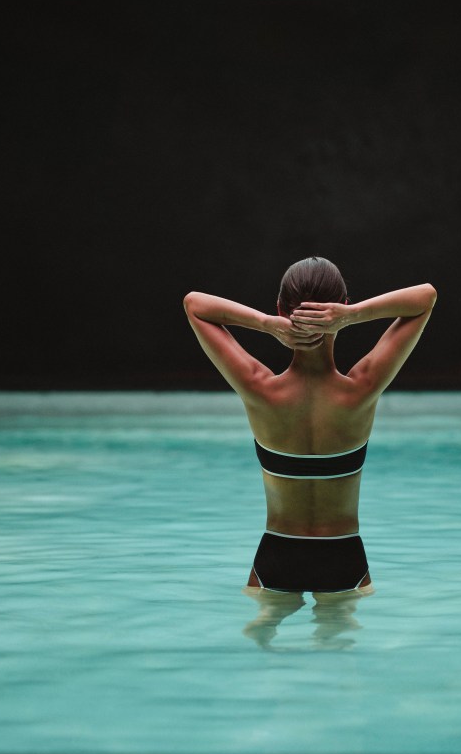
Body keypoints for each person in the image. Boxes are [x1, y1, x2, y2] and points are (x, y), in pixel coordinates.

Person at [183, 256, 436, 602]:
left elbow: (194, 304)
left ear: (279, 309)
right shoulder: (361, 389)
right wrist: (351, 318)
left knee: (259, 647)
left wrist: (266, 324)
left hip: (277, 553)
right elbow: (425, 297)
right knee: (342, 651)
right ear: (343, 306)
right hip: (344, 556)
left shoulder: (259, 389)